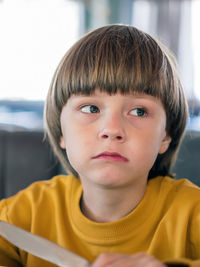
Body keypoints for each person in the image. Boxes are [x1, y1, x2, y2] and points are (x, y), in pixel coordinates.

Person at [0, 24, 199, 267]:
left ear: (165, 136)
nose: (112, 129)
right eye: (90, 108)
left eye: (138, 111)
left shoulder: (192, 214)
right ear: (61, 131)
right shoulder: (21, 216)